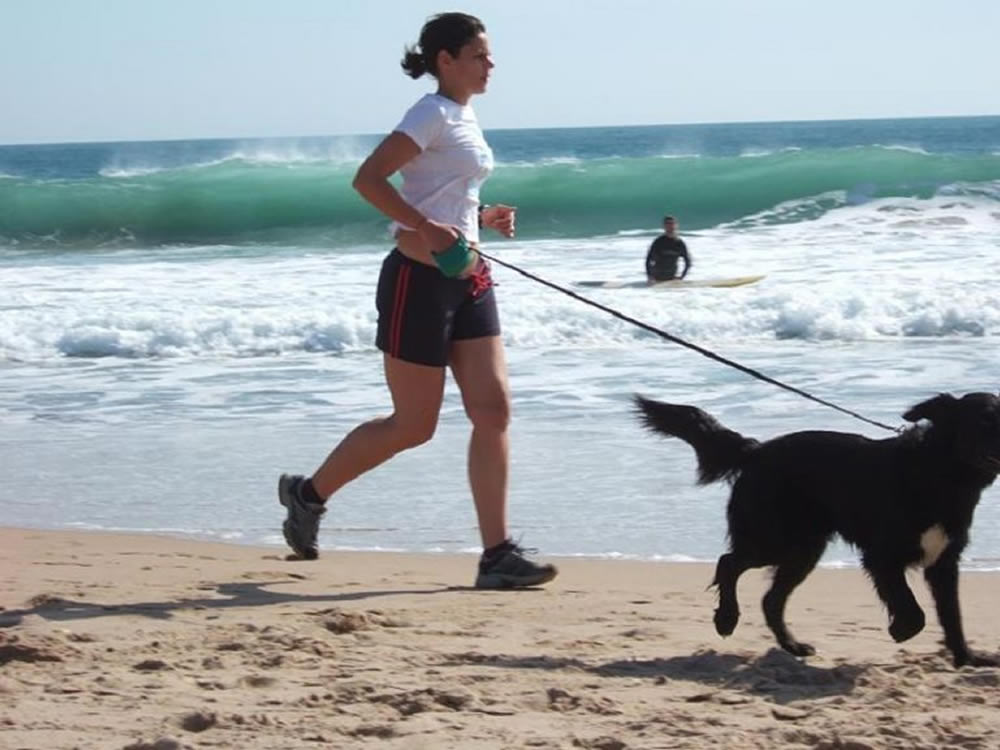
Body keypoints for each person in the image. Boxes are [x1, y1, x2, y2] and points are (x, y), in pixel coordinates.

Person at [277, 12, 557, 590]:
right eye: (479, 55)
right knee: (414, 425)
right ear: (445, 61)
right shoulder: (429, 112)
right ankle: (308, 496)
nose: (490, 64)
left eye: (489, 54)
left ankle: (496, 554)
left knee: (493, 411)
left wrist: (479, 216)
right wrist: (429, 229)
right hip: (417, 283)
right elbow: (368, 180)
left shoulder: (463, 116)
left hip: (470, 278)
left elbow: (442, 191)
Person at [645, 215, 691, 281]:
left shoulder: (679, 243)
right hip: (657, 277)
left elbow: (687, 262)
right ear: (664, 226)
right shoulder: (658, 242)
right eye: (667, 223)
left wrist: (681, 277)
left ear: (676, 225)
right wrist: (650, 276)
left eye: (672, 223)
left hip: (671, 277)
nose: (670, 226)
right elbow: (648, 260)